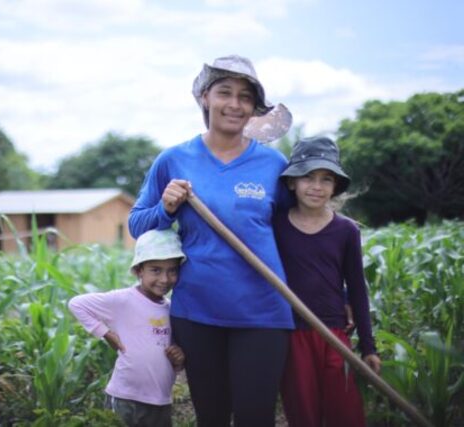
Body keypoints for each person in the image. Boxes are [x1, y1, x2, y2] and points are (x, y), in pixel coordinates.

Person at [129, 54, 294, 426]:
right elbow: (137, 224)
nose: (235, 104)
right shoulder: (173, 160)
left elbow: (296, 235)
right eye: (225, 93)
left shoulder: (273, 165)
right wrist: (166, 208)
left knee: (256, 416)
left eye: (245, 97)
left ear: (254, 107)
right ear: (206, 97)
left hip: (264, 312)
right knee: (212, 417)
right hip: (198, 313)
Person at [273, 136, 382, 427]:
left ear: (335, 187)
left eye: (326, 179)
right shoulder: (276, 225)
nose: (317, 186)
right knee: (303, 411)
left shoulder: (345, 230)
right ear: (292, 182)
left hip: (335, 333)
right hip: (293, 333)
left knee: (345, 410)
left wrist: (369, 347)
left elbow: (357, 288)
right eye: (308, 177)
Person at [68, 228, 187, 427]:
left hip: (160, 400)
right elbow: (77, 304)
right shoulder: (123, 300)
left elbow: (167, 354)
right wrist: (105, 333)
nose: (165, 279)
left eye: (172, 270)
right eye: (155, 270)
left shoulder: (172, 309)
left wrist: (179, 361)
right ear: (139, 270)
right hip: (125, 398)